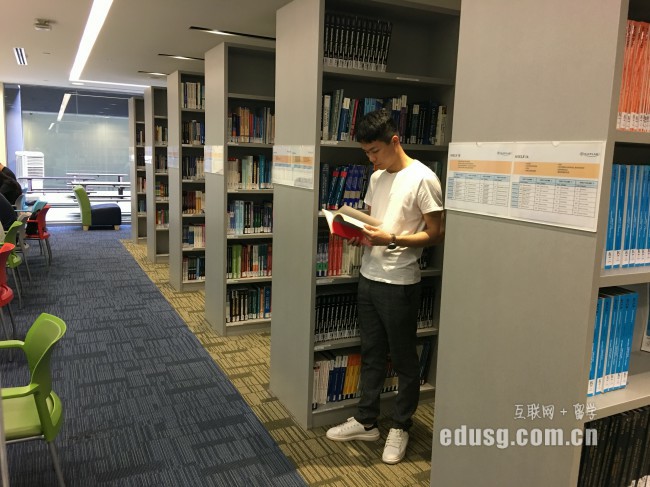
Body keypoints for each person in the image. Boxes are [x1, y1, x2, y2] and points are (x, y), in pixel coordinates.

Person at [325, 108, 445, 465]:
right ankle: (367, 420)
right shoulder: (377, 178)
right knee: (372, 353)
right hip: (369, 275)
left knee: (404, 358)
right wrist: (356, 233)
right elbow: (371, 222)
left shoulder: (423, 178)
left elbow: (437, 234)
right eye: (366, 152)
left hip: (399, 281)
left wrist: (392, 238)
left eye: (375, 151)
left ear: (395, 141)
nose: (371, 159)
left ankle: (401, 425)